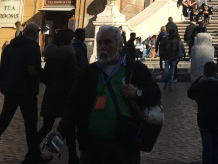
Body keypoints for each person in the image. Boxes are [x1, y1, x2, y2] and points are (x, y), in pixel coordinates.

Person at [54, 25, 161, 164]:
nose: (102, 46)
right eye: (100, 43)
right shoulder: (88, 73)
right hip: (92, 147)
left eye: (108, 42)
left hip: (125, 146)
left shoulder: (135, 70)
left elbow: (155, 93)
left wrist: (138, 92)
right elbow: (73, 106)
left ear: (120, 46)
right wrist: (60, 132)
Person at [0, 23, 42, 164]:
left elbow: (4, 67)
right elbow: (32, 69)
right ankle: (34, 155)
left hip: (11, 89)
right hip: (26, 91)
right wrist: (44, 76)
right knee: (31, 125)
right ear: (35, 33)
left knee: (2, 123)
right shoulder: (33, 46)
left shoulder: (10, 46)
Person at [35, 28, 79, 164]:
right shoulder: (70, 55)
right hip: (66, 95)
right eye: (72, 39)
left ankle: (32, 151)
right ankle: (73, 157)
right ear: (68, 40)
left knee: (46, 126)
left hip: (52, 93)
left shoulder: (52, 55)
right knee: (69, 127)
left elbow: (46, 77)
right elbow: (73, 76)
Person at [188, 61, 218, 164]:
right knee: (216, 149)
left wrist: (200, 78)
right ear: (215, 72)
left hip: (204, 121)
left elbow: (189, 93)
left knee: (207, 148)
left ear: (204, 72)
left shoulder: (199, 86)